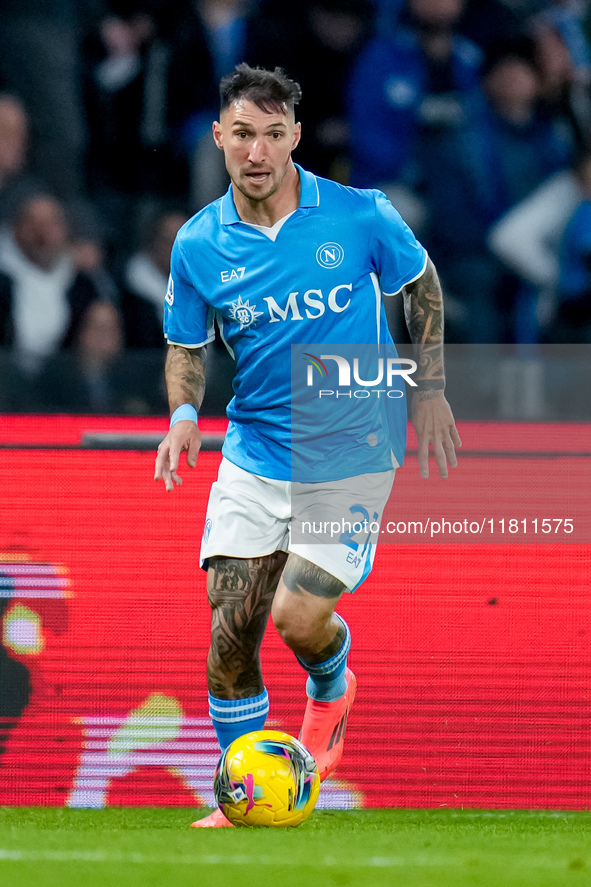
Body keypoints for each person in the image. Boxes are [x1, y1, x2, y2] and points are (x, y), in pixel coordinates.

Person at [154, 63, 460, 827]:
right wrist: (184, 414)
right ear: (219, 138)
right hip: (254, 452)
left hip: (352, 447)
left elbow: (418, 285)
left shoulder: (357, 215)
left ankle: (330, 685)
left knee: (295, 615)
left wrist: (428, 389)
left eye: (271, 135)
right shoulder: (198, 244)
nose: (255, 152)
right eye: (241, 135)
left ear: (293, 136)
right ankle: (242, 797)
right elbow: (186, 345)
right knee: (230, 629)